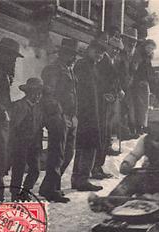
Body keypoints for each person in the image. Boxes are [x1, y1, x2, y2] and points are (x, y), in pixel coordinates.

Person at [39, 38, 79, 202]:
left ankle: (49, 186)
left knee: (68, 153)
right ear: (63, 53)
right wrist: (58, 114)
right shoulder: (52, 70)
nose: (74, 58)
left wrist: (74, 115)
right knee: (57, 154)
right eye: (71, 54)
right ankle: (52, 189)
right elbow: (48, 94)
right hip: (59, 116)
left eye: (74, 55)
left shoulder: (70, 70)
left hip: (70, 116)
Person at [0, 37, 23, 203]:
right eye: (12, 56)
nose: (13, 60)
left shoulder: (3, 72)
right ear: (2, 53)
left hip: (0, 121)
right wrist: (2, 110)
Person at [71, 40, 106, 192]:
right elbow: (79, 91)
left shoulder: (93, 67)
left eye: (102, 54)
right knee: (88, 145)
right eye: (97, 52)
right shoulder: (82, 66)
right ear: (89, 50)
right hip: (85, 112)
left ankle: (78, 179)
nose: (99, 56)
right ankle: (81, 179)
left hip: (92, 111)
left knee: (85, 145)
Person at [91, 34, 124, 180]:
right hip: (101, 102)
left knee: (107, 132)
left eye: (118, 49)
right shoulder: (101, 61)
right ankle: (95, 166)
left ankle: (99, 165)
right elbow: (98, 81)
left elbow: (115, 79)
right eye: (113, 47)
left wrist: (118, 90)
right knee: (101, 134)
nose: (116, 51)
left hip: (111, 100)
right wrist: (105, 93)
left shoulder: (113, 60)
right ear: (107, 46)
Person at [9, 78, 44, 201]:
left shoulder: (39, 108)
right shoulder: (20, 106)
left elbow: (39, 126)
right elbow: (13, 126)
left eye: (40, 93)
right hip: (20, 144)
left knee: (35, 169)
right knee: (18, 169)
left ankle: (26, 191)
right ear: (28, 93)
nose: (38, 96)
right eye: (35, 93)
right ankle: (15, 194)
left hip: (34, 144)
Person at [132, 39, 156, 135]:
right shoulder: (139, 56)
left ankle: (142, 125)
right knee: (139, 106)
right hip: (138, 84)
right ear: (144, 46)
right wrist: (139, 80)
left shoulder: (148, 58)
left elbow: (149, 71)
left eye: (152, 48)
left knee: (144, 106)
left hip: (145, 84)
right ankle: (138, 126)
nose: (150, 50)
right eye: (148, 47)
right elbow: (135, 69)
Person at [119, 28, 139, 139]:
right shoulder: (120, 54)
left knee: (126, 108)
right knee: (121, 109)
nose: (132, 44)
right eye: (130, 40)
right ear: (124, 40)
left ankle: (125, 130)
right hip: (119, 85)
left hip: (128, 85)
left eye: (134, 42)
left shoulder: (131, 56)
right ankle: (122, 130)